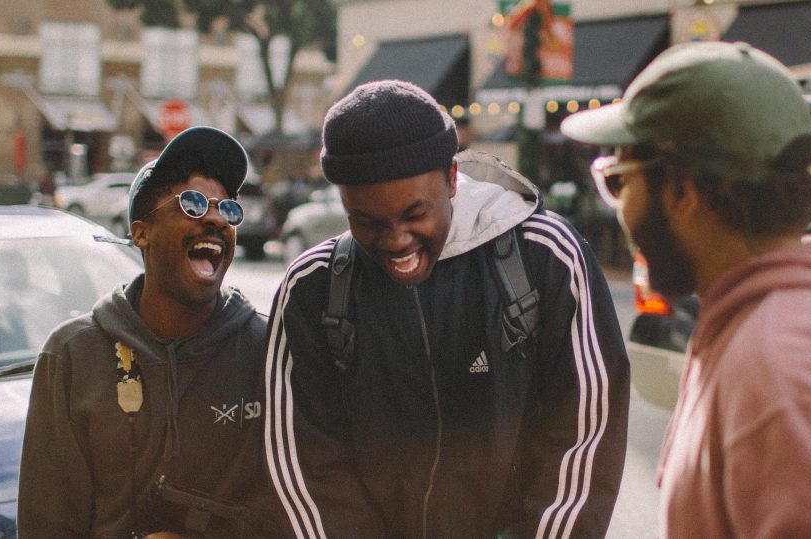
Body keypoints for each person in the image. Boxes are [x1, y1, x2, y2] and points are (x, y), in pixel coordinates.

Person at [561, 41, 811, 537]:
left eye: (619, 181)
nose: (620, 210)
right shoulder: (779, 327)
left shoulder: (785, 368)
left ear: (684, 191)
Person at [265, 80, 630, 538]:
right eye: (367, 221)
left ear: (453, 178)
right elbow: (305, 465)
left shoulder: (546, 255)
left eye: (415, 214)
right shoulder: (311, 288)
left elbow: (585, 436)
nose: (396, 241)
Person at [19, 126, 283, 538]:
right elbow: (47, 526)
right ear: (141, 233)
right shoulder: (72, 355)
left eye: (229, 209)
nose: (217, 218)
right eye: (193, 204)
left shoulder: (267, 350)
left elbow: (293, 512)